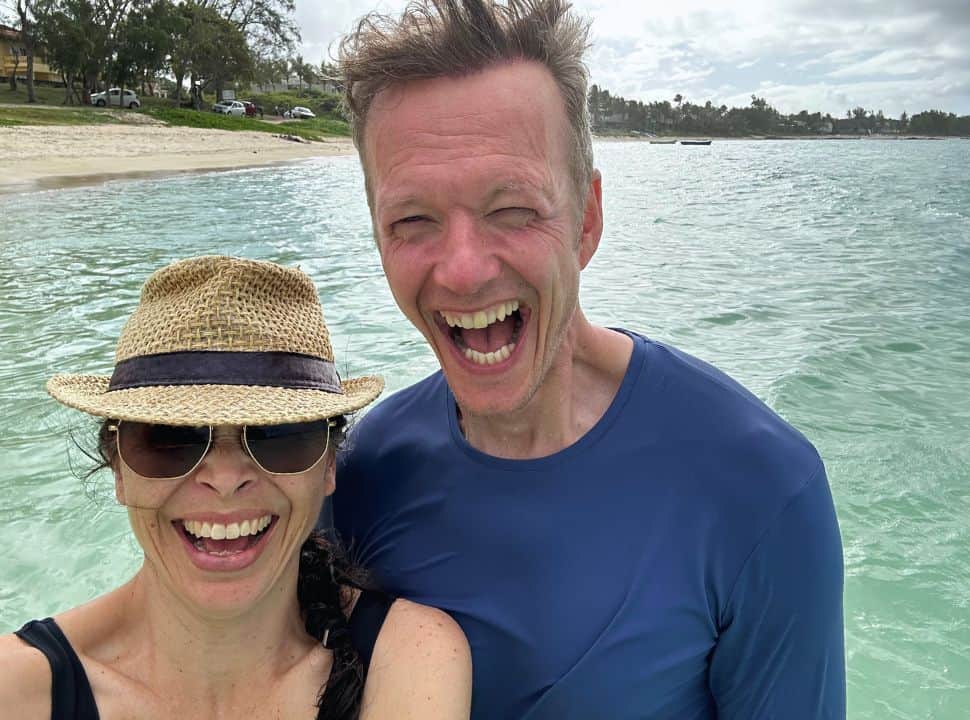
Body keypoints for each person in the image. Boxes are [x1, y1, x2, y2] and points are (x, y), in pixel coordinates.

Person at [326, 1, 846, 718]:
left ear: (587, 219)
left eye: (512, 210)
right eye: (413, 221)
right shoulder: (356, 475)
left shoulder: (759, 490)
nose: (465, 271)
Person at [0, 256, 471, 719]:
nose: (225, 480)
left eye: (279, 435)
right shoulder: (17, 689)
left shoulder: (411, 659)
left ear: (329, 464)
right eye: (172, 438)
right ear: (118, 467)